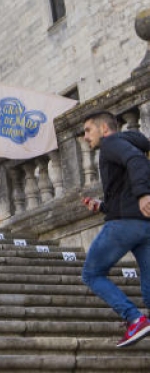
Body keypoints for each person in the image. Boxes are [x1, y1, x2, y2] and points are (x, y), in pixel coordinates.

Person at [80, 111, 150, 347]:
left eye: (88, 130)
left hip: (124, 223)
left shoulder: (111, 144)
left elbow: (137, 163)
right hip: (143, 224)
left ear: (104, 129)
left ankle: (134, 319)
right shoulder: (127, 144)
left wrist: (143, 195)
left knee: (91, 273)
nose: (85, 136)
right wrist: (102, 206)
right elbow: (125, 189)